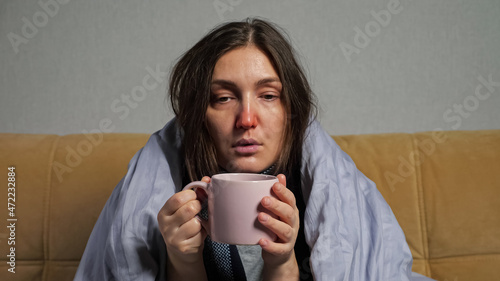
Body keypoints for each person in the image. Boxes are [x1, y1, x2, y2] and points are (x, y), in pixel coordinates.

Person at [74, 18, 435, 281]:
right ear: (199, 115)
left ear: (290, 111)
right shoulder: (170, 189)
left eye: (268, 96)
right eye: (223, 97)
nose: (247, 118)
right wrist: (183, 261)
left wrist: (282, 261)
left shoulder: (321, 189)